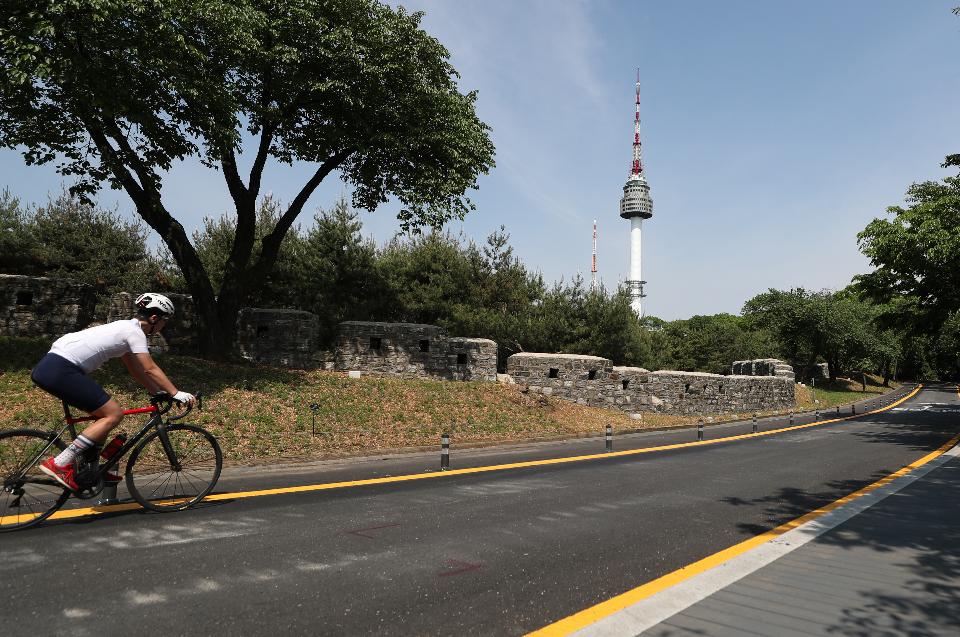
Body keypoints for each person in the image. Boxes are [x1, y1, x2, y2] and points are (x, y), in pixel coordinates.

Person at [31, 292, 196, 491]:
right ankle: (59, 464)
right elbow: (149, 368)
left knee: (101, 416)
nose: (163, 326)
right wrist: (175, 392)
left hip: (52, 366)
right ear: (154, 318)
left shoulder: (125, 329)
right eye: (164, 321)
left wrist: (156, 392)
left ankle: (93, 471)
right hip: (62, 369)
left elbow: (135, 369)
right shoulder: (134, 332)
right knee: (113, 414)